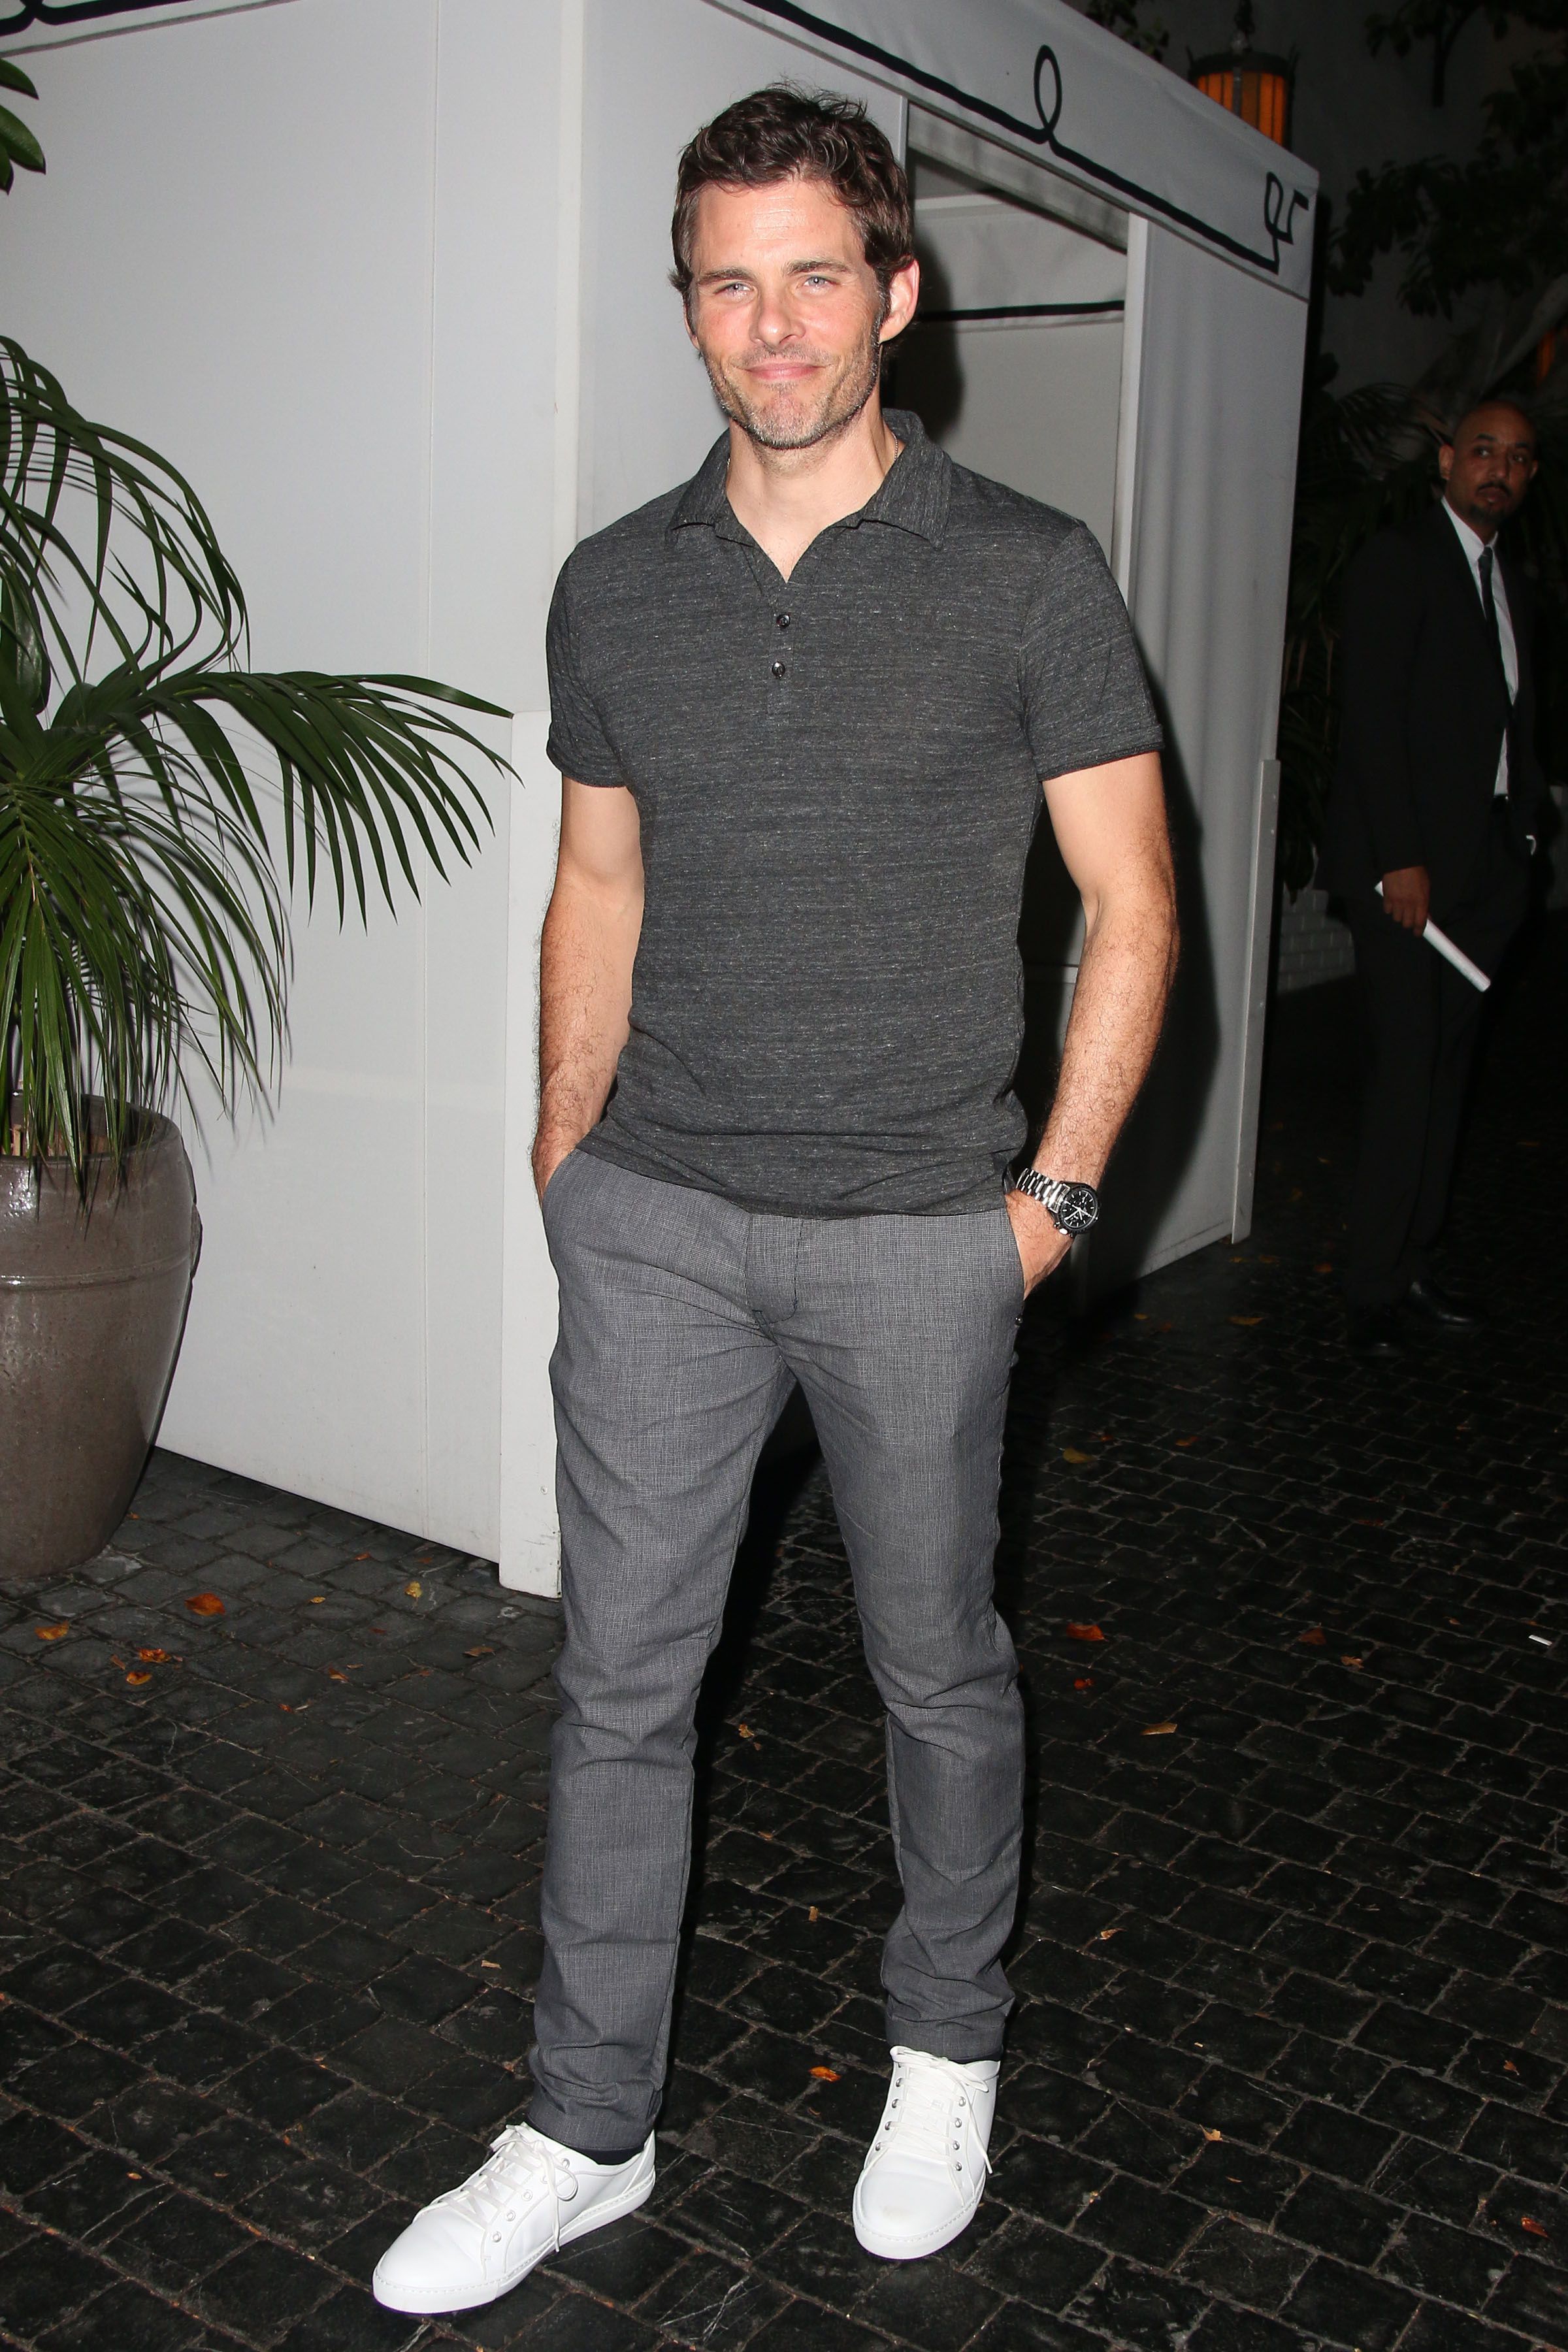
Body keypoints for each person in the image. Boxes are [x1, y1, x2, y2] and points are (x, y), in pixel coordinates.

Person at [374, 87, 1175, 2317]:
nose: (775, 323)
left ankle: (945, 2053)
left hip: (925, 1234)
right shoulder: (615, 585)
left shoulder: (1030, 571)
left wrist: (1054, 1204)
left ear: (898, 292)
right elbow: (597, 882)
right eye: (729, 282)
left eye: (817, 273)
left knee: (939, 1670)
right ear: (690, 310)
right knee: (622, 1684)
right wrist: (567, 1153)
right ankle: (583, 2121)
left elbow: (1134, 904)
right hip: (660, 1227)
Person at [1319, 401, 1543, 1359]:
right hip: (1405, 877)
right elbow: (1371, 716)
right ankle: (1371, 1290)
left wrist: (1526, 840)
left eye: (1519, 459)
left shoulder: (1510, 581)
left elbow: (1514, 723)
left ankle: (1411, 1264)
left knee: (1448, 1074)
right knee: (1407, 1076)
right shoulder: (1401, 560)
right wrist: (1397, 859)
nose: (1500, 470)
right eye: (1483, 451)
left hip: (1485, 869)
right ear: (1447, 460)